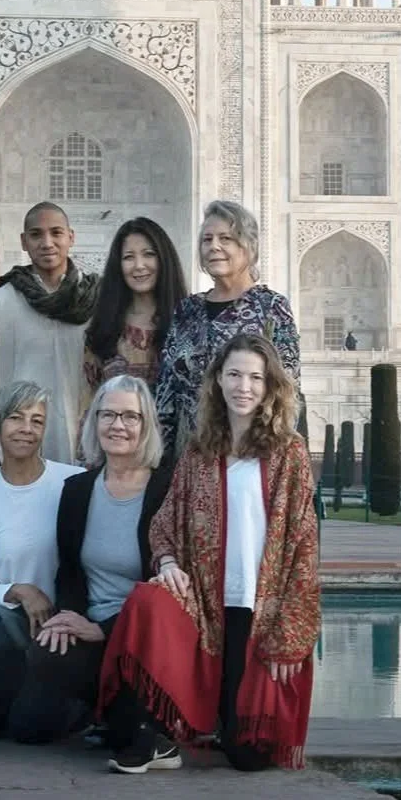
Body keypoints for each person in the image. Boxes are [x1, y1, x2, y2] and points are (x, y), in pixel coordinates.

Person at [99, 331, 318, 774]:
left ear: (269, 384)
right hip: (206, 606)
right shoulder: (201, 451)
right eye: (234, 374)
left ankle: (209, 725)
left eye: (255, 377)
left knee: (249, 755)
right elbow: (165, 522)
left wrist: (288, 640)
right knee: (148, 600)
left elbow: (304, 547)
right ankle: (149, 735)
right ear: (218, 380)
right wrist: (167, 562)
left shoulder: (288, 451)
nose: (244, 387)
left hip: (261, 609)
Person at [11, 375, 176, 747]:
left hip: (141, 642)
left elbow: (165, 590)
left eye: (130, 417)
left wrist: (104, 630)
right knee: (27, 728)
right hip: (89, 629)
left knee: (127, 738)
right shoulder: (77, 491)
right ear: (94, 422)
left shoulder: (166, 490)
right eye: (108, 415)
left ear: (146, 425)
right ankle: (90, 707)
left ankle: (122, 712)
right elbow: (69, 569)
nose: (118, 425)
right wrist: (70, 618)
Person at [0, 381, 85, 738]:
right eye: (16, 418)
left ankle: (69, 707)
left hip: (70, 625)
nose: (26, 429)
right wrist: (20, 591)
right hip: (15, 626)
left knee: (33, 732)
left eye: (37, 421)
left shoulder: (73, 483)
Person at [153, 200, 301, 458]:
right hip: (189, 457)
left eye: (226, 238)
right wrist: (160, 464)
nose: (214, 247)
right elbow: (166, 394)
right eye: (207, 239)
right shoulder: (188, 310)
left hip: (248, 456)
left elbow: (287, 391)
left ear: (248, 246)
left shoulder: (271, 308)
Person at [0, 203, 99, 465]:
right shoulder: (0, 304)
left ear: (71, 237)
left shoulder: (94, 303)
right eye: (36, 235)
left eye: (56, 233)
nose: (47, 243)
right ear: (23, 241)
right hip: (16, 455)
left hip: (84, 451)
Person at [82, 217, 187, 391]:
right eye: (129, 257)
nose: (139, 265)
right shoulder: (104, 329)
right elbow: (89, 402)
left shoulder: (187, 323)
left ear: (163, 259)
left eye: (149, 254)